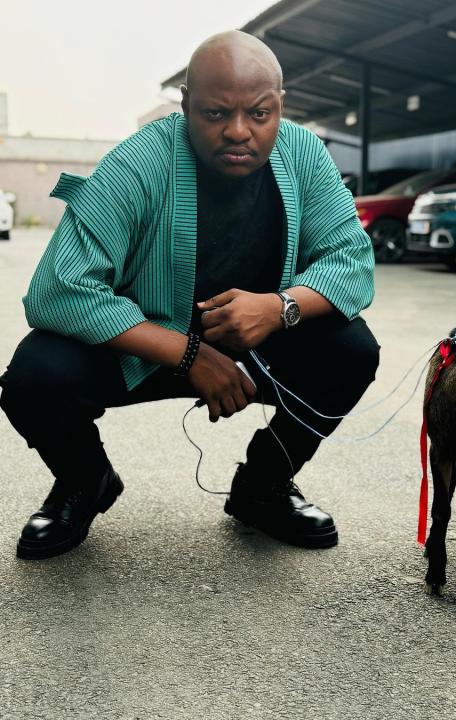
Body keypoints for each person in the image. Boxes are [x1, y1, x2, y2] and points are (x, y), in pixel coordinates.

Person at [0, 31, 379, 560]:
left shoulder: (304, 155)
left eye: (260, 114)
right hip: (144, 348)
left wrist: (278, 307)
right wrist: (188, 355)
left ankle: (263, 487)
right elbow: (57, 289)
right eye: (215, 113)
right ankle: (85, 481)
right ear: (186, 105)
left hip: (257, 343)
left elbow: (353, 263)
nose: (238, 132)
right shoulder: (141, 162)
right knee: (34, 376)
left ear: (281, 106)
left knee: (351, 350)